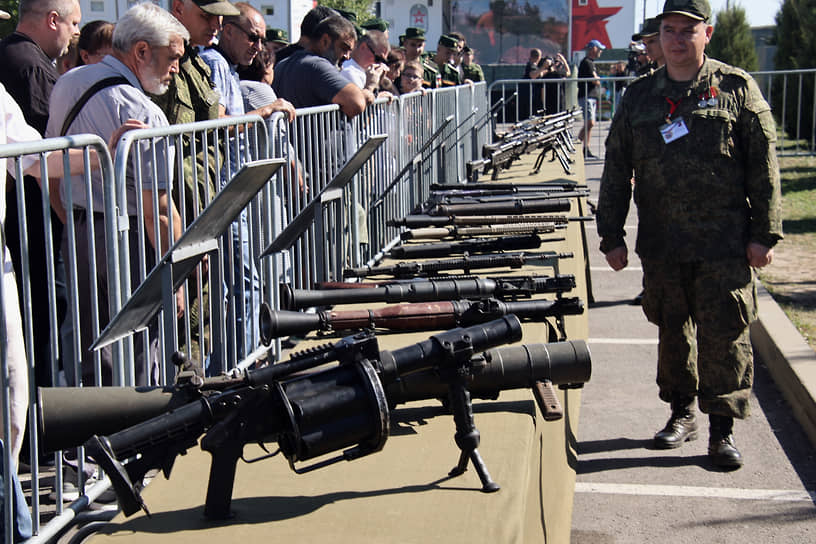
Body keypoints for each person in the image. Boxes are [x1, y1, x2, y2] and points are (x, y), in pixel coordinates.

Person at [595, 0, 783, 469]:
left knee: (725, 337)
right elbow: (617, 167)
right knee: (672, 335)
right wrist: (611, 234)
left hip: (724, 243)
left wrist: (765, 234)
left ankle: (722, 429)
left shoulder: (735, 89)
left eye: (687, 30)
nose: (677, 39)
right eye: (668, 30)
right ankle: (680, 413)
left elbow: (764, 168)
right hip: (662, 242)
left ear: (708, 33)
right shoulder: (640, 97)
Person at [46, 2, 188, 387]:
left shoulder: (68, 82)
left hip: (78, 230)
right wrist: (174, 278)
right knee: (142, 348)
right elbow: (156, 210)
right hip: (128, 240)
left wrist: (76, 227)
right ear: (142, 51)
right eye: (172, 58)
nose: (176, 68)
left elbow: (49, 170)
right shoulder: (145, 113)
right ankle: (136, 437)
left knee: (89, 345)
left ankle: (91, 437)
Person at [199, 2, 295, 361]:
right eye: (254, 37)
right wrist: (266, 110)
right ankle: (237, 374)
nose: (260, 46)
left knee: (239, 286)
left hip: (230, 191)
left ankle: (235, 366)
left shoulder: (225, 67)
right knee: (244, 287)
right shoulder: (214, 64)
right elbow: (220, 122)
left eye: (263, 39)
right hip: (222, 193)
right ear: (228, 31)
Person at [0, 0, 82, 392]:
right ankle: (44, 431)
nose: (75, 34)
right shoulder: (28, 65)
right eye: (73, 24)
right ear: (53, 20)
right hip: (30, 219)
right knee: (41, 317)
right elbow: (39, 157)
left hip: (24, 215)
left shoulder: (19, 60)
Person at [273, 15, 368, 117]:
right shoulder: (317, 66)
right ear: (325, 41)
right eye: (344, 48)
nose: (347, 57)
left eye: (350, 51)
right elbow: (357, 103)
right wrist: (366, 93)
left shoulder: (282, 64)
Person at [339, 29, 390, 104]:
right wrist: (371, 85)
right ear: (363, 47)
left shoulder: (364, 72)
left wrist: (378, 91)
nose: (380, 64)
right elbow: (361, 107)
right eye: (378, 58)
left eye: (383, 61)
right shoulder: (349, 72)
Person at [577, 39, 604, 158]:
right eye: (599, 49)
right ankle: (576, 145)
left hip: (591, 96)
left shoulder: (591, 62)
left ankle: (585, 149)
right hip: (586, 96)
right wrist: (597, 79)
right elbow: (595, 80)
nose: (601, 51)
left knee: (590, 124)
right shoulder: (587, 62)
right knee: (590, 122)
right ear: (594, 48)